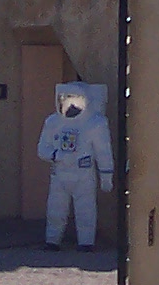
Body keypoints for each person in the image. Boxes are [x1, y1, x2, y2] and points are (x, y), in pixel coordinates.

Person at [36, 81, 113, 251]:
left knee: (86, 210)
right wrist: (56, 156)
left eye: (75, 101)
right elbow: (42, 149)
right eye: (65, 100)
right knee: (55, 209)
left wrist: (106, 175)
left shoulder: (95, 124)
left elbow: (103, 151)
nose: (70, 106)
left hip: (83, 174)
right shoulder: (53, 122)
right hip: (60, 173)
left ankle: (86, 242)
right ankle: (52, 240)